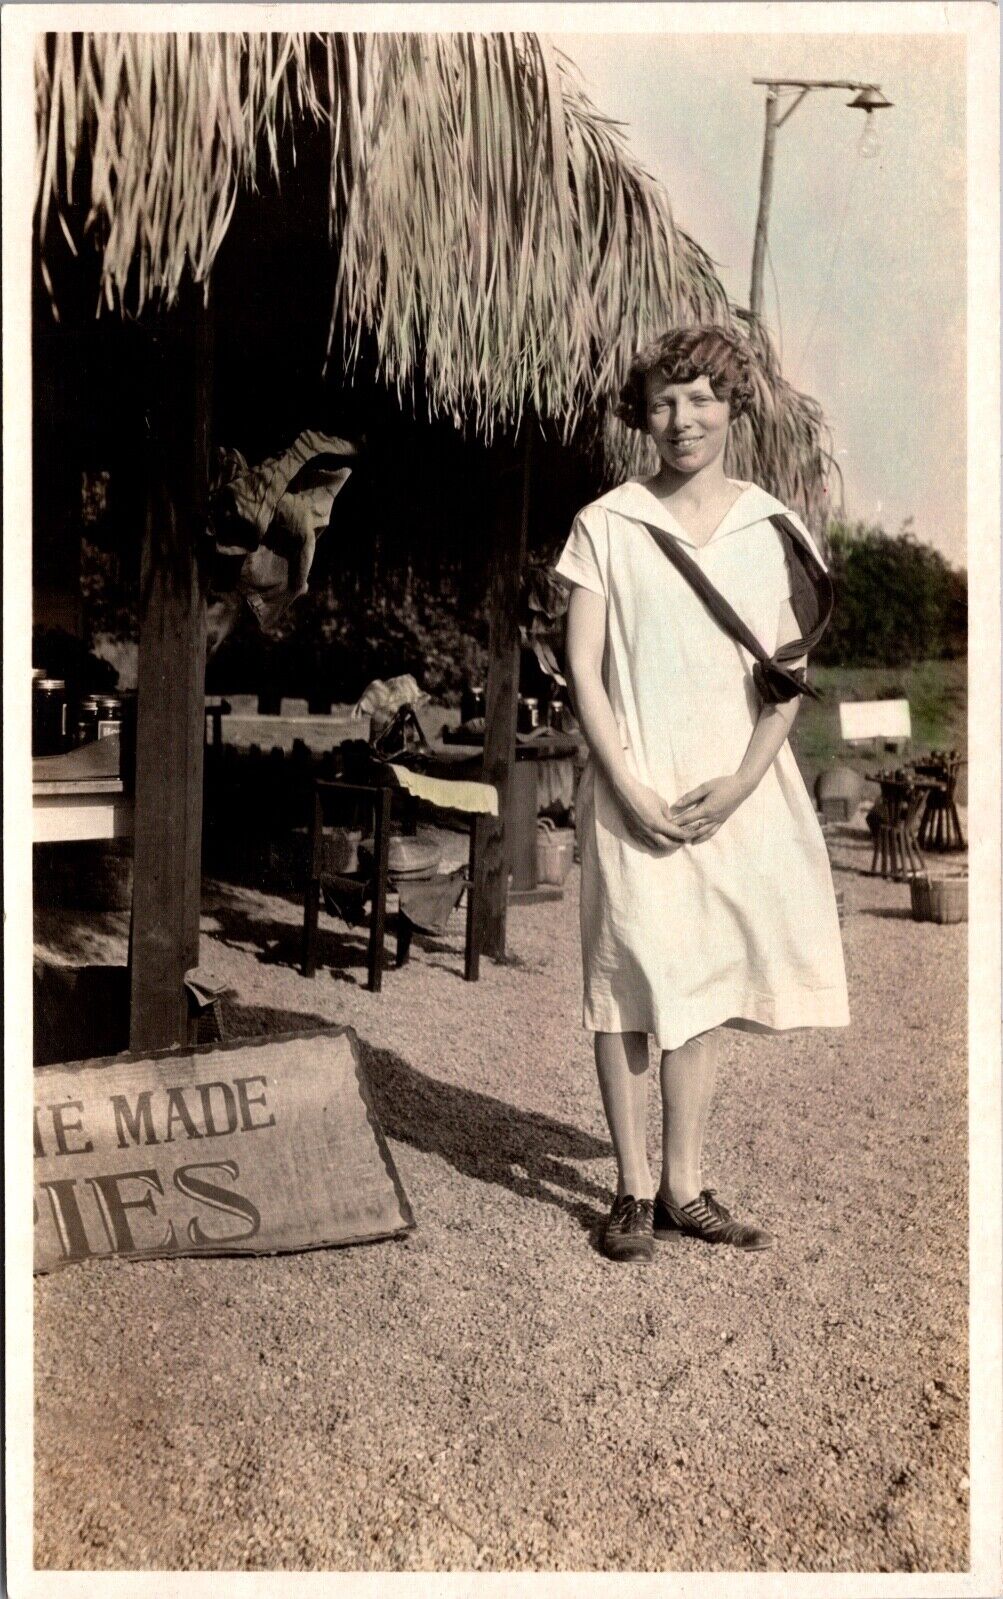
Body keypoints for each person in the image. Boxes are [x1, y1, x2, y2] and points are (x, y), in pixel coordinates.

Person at [554, 325, 850, 1263]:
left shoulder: (774, 530)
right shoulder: (606, 523)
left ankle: (683, 1185)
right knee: (626, 977)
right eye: (663, 402)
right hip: (634, 787)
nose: (681, 420)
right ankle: (631, 1187)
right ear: (641, 414)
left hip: (729, 791)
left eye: (700, 400)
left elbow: (787, 677)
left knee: (707, 981)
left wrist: (740, 784)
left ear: (732, 407)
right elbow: (583, 667)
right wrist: (626, 784)